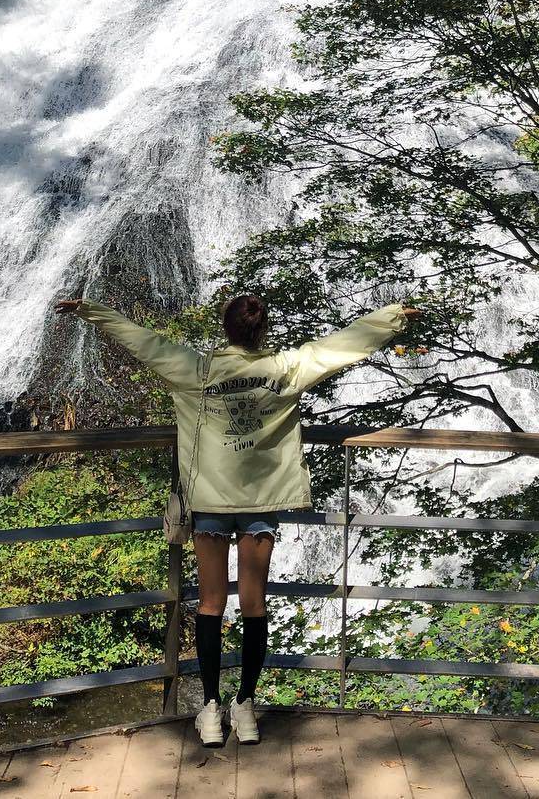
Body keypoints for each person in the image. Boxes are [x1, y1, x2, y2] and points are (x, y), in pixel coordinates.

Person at [55, 292, 416, 748]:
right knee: (254, 606)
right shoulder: (287, 369)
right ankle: (244, 706)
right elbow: (341, 346)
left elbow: (140, 340)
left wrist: (91, 309)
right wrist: (392, 316)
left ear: (225, 329)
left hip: (209, 503)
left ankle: (209, 708)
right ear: (262, 329)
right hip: (260, 503)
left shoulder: (196, 370)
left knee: (209, 605)